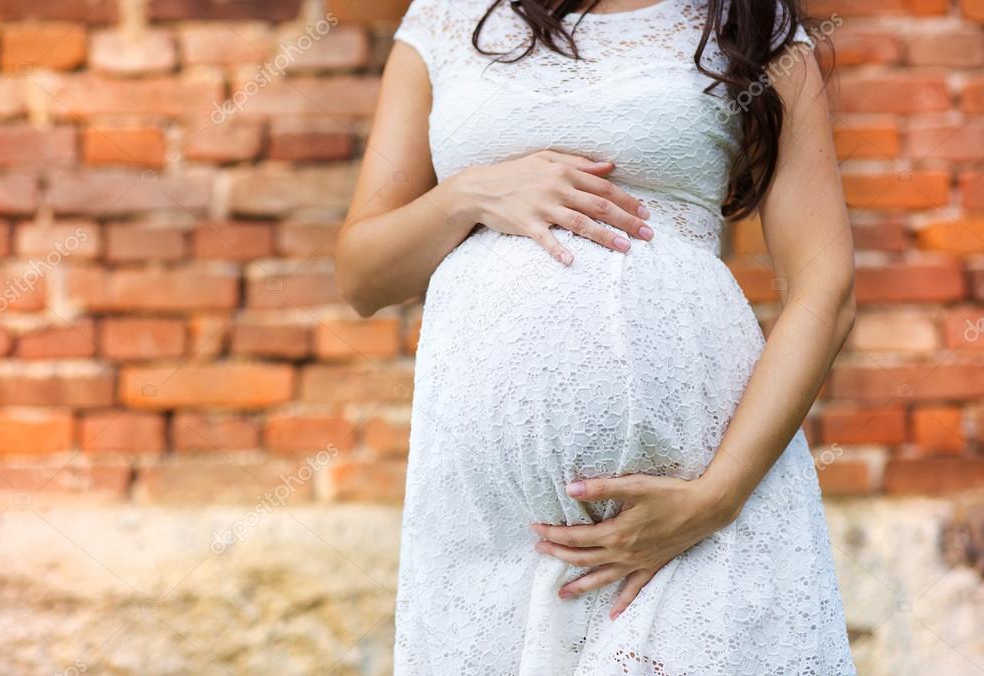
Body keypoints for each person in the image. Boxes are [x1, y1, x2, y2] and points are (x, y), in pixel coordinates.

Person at [335, 0, 858, 673]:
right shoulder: (444, 19)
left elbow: (826, 287)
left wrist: (717, 497)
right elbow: (361, 274)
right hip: (495, 537)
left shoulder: (750, 25)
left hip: (689, 511)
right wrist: (467, 196)